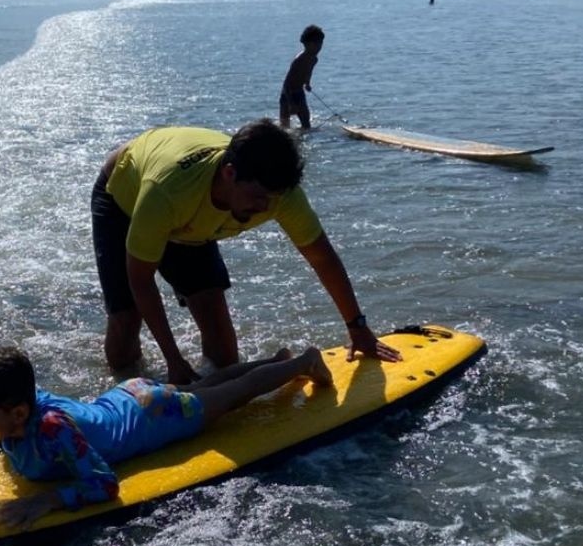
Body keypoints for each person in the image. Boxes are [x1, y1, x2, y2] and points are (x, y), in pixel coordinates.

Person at [91, 118, 401, 384]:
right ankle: (125, 390)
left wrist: (358, 328)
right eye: (257, 197)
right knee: (127, 322)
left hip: (192, 223)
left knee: (225, 356)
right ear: (229, 173)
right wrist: (173, 359)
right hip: (125, 199)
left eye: (273, 198)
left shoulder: (279, 194)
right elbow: (141, 280)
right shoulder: (168, 190)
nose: (264, 209)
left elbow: (321, 257)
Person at [0, 344, 332, 529]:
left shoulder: (52, 429)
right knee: (207, 387)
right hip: (128, 396)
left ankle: (303, 362)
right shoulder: (21, 407)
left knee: (232, 397)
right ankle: (276, 360)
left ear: (17, 413)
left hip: (154, 415)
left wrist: (47, 501)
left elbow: (104, 484)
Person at [279, 24, 324, 130]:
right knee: (284, 127)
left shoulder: (314, 59)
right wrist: (291, 103)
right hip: (287, 94)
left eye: (321, 44)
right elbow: (286, 83)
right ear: (307, 44)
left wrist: (307, 83)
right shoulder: (299, 60)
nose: (319, 47)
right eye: (316, 44)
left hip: (299, 93)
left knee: (306, 124)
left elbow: (309, 72)